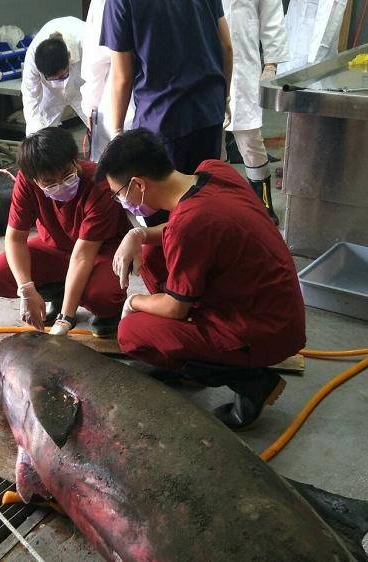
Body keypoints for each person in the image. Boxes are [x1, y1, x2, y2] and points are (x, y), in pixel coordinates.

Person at [98, 129, 305, 430]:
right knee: (152, 251)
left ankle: (252, 382)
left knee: (132, 332)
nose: (120, 201)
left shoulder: (190, 224)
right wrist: (137, 233)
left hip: (264, 331)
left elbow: (175, 308)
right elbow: (181, 230)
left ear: (139, 185)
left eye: (118, 194)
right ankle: (183, 351)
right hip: (271, 305)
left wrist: (134, 301)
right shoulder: (214, 170)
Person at [0, 127, 130, 338]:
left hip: (100, 251)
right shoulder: (26, 181)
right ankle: (59, 295)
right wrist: (26, 289)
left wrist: (65, 319)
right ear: (34, 180)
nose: (61, 184)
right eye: (49, 182)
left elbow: (83, 255)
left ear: (75, 161)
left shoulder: (99, 184)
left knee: (103, 295)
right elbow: (15, 238)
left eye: (67, 174)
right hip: (55, 246)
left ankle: (108, 313)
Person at [101, 0, 234, 176]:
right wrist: (225, 97)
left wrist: (117, 130)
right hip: (208, 111)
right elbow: (226, 47)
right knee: (204, 187)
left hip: (162, 118)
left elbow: (122, 77)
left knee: (169, 191)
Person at [221, 0, 289, 225]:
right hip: (206, 61)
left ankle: (263, 203)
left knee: (250, 137)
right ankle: (218, 203)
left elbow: (271, 14)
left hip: (243, 63)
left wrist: (271, 63)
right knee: (212, 141)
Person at [80, 0, 135, 161]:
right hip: (166, 99)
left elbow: (96, 63)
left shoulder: (106, 4)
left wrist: (90, 106)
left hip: (121, 103)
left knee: (121, 161)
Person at [22, 16, 87, 137]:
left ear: (69, 58)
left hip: (85, 81)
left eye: (62, 76)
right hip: (50, 91)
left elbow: (102, 78)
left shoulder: (86, 40)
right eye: (53, 78)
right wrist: (33, 134)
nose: (59, 81)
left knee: (101, 125)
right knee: (39, 131)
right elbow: (30, 96)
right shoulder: (32, 59)